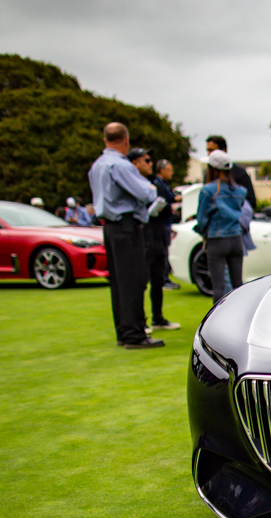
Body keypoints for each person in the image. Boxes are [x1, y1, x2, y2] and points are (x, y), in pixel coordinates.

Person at [88, 121, 162, 349]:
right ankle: (134, 335)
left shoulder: (97, 165)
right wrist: (150, 190)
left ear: (105, 140)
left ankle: (124, 330)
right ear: (126, 141)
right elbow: (145, 193)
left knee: (119, 282)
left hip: (110, 226)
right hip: (127, 225)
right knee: (133, 280)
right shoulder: (119, 165)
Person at [128, 148, 178, 332]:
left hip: (159, 237)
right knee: (141, 280)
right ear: (135, 163)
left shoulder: (151, 184)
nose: (150, 164)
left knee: (158, 279)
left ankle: (158, 318)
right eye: (146, 160)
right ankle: (140, 321)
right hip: (146, 238)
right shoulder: (138, 184)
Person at [194, 149, 247, 304]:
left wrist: (203, 234)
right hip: (236, 239)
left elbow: (202, 219)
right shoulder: (240, 190)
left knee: (218, 286)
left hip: (216, 240)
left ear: (211, 169)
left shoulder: (208, 190)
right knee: (238, 285)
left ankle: (217, 321)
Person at [205, 135, 256, 210]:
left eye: (212, 150)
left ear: (223, 150)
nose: (209, 154)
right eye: (208, 150)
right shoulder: (208, 175)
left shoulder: (239, 173)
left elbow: (251, 201)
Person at [152, 160, 181, 289]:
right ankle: (164, 279)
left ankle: (165, 277)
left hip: (165, 223)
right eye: (169, 170)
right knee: (163, 252)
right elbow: (168, 199)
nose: (172, 173)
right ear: (162, 170)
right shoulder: (158, 185)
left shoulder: (163, 184)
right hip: (161, 224)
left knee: (165, 251)